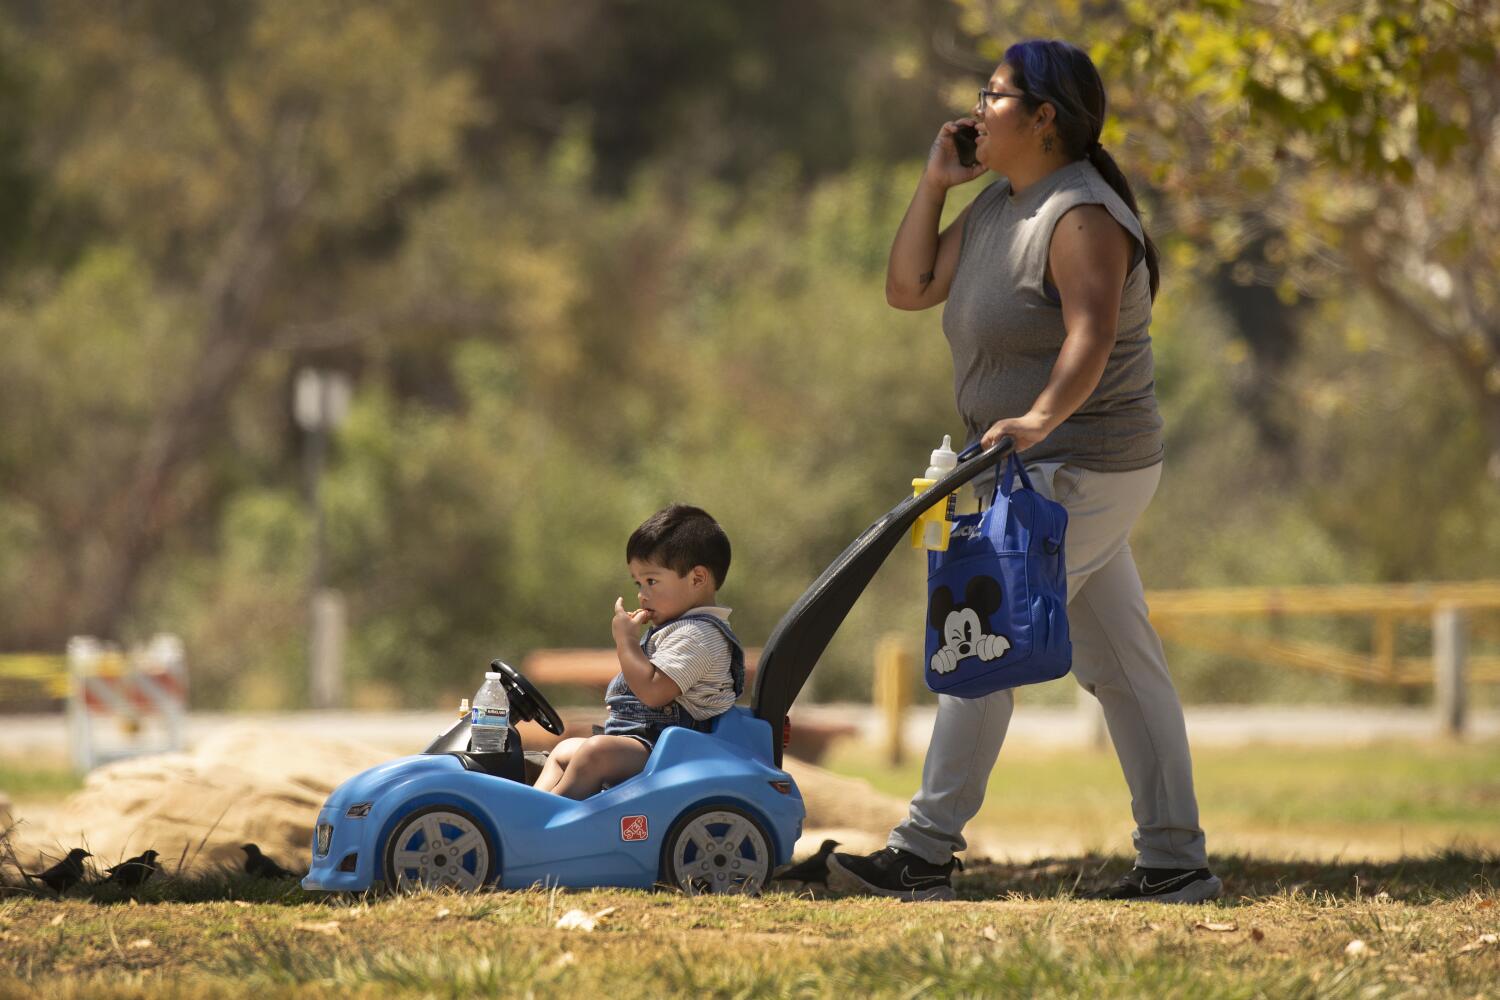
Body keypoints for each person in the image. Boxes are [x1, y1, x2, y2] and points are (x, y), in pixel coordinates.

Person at [826, 39, 1220, 903]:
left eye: (993, 95)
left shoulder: (1080, 214)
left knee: (982, 640)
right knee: (1120, 664)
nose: (974, 109)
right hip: (1030, 470)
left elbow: (1092, 333)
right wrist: (935, 183)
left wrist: (1040, 417)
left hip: (1085, 462)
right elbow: (909, 284)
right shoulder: (1006, 205)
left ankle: (923, 851)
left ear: (1044, 118)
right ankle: (1177, 860)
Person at [534, 504, 745, 799]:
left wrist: (626, 642)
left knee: (595, 752)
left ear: (697, 578)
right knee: (565, 750)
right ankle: (532, 806)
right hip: (649, 743)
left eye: (652, 581)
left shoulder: (699, 636)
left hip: (677, 751)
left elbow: (654, 692)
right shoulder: (678, 629)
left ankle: (549, 820)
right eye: (638, 583)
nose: (641, 594)